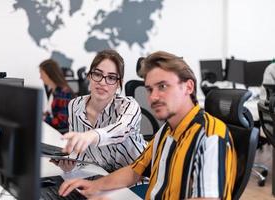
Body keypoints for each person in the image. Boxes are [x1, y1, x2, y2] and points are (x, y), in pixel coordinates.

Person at [58, 51, 237, 200]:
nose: (153, 97)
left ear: (188, 87)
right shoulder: (166, 132)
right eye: (150, 89)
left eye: (163, 86)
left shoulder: (211, 136)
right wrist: (95, 186)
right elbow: (134, 171)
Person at [57, 49, 147, 172]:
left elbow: (122, 130)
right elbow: (80, 151)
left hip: (137, 177)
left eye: (111, 77)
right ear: (89, 76)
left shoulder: (128, 105)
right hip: (104, 177)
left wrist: (93, 135)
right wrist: (71, 164)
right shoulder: (75, 105)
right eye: (98, 74)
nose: (103, 82)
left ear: (118, 84)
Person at [39, 59, 76, 132]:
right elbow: (53, 113)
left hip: (61, 134)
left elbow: (62, 122)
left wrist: (43, 119)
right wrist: (42, 114)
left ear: (49, 74)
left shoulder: (63, 93)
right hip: (54, 130)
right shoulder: (52, 91)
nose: (40, 77)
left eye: (41, 74)